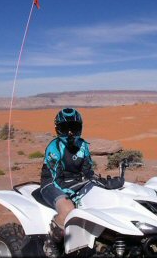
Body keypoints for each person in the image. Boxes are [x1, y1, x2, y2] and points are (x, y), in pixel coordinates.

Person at [40, 107, 124, 258]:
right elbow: (56, 180)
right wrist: (77, 189)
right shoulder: (54, 147)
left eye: (74, 128)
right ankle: (51, 242)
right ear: (58, 129)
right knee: (68, 210)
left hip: (75, 182)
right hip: (52, 183)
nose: (70, 133)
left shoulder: (83, 146)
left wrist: (103, 183)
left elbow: (88, 173)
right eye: (66, 129)